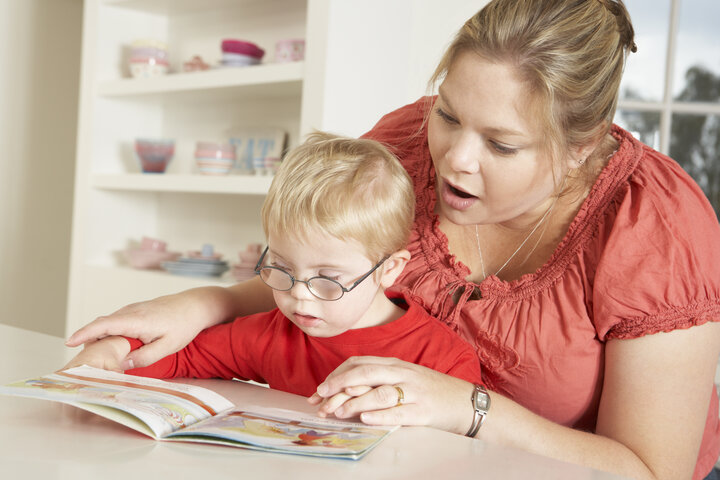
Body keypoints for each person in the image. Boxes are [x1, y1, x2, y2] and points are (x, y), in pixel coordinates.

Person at [65, 1, 720, 478]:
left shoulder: (653, 227)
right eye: (449, 113)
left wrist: (466, 408)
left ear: (582, 148)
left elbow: (647, 470)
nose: (455, 157)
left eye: (501, 143)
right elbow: (328, 268)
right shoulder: (404, 142)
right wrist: (205, 303)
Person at [64, 132, 483, 398]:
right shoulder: (273, 333)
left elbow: (466, 448)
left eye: (327, 279)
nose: (298, 293)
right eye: (282, 268)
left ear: (389, 270)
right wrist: (114, 352)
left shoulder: (443, 360)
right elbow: (183, 355)